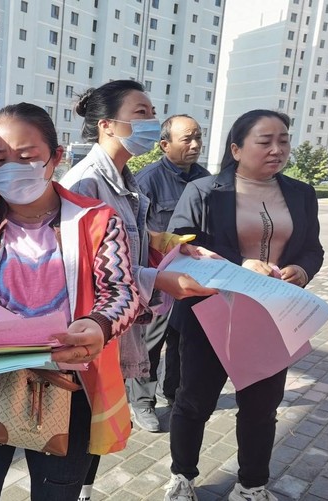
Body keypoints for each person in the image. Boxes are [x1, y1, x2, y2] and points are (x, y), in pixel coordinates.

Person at [0, 102, 141, 501]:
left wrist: (98, 326)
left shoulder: (96, 220)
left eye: (27, 156)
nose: (12, 166)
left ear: (56, 157)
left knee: (57, 493)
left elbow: (121, 291)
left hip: (67, 384)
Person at [58, 80, 217, 501]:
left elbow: (127, 238)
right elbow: (85, 272)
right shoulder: (87, 182)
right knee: (81, 425)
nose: (151, 121)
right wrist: (159, 280)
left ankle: (83, 490)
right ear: (109, 125)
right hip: (91, 327)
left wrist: (171, 245)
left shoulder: (121, 178)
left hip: (112, 325)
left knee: (95, 424)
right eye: (142, 112)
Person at [163, 109, 324, 501]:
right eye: (264, 141)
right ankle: (182, 475)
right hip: (211, 314)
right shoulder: (203, 191)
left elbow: (312, 249)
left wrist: (301, 271)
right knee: (194, 402)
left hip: (272, 317)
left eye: (283, 140)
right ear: (236, 148)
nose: (277, 149)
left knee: (261, 408)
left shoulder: (300, 193)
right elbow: (178, 249)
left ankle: (252, 484)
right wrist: (237, 265)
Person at [126, 115, 211, 424]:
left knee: (182, 339)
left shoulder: (206, 178)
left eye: (198, 137)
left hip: (194, 274)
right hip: (158, 276)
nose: (195, 144)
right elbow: (137, 231)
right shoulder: (147, 180)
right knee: (151, 340)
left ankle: (171, 390)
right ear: (164, 145)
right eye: (187, 139)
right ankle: (142, 401)